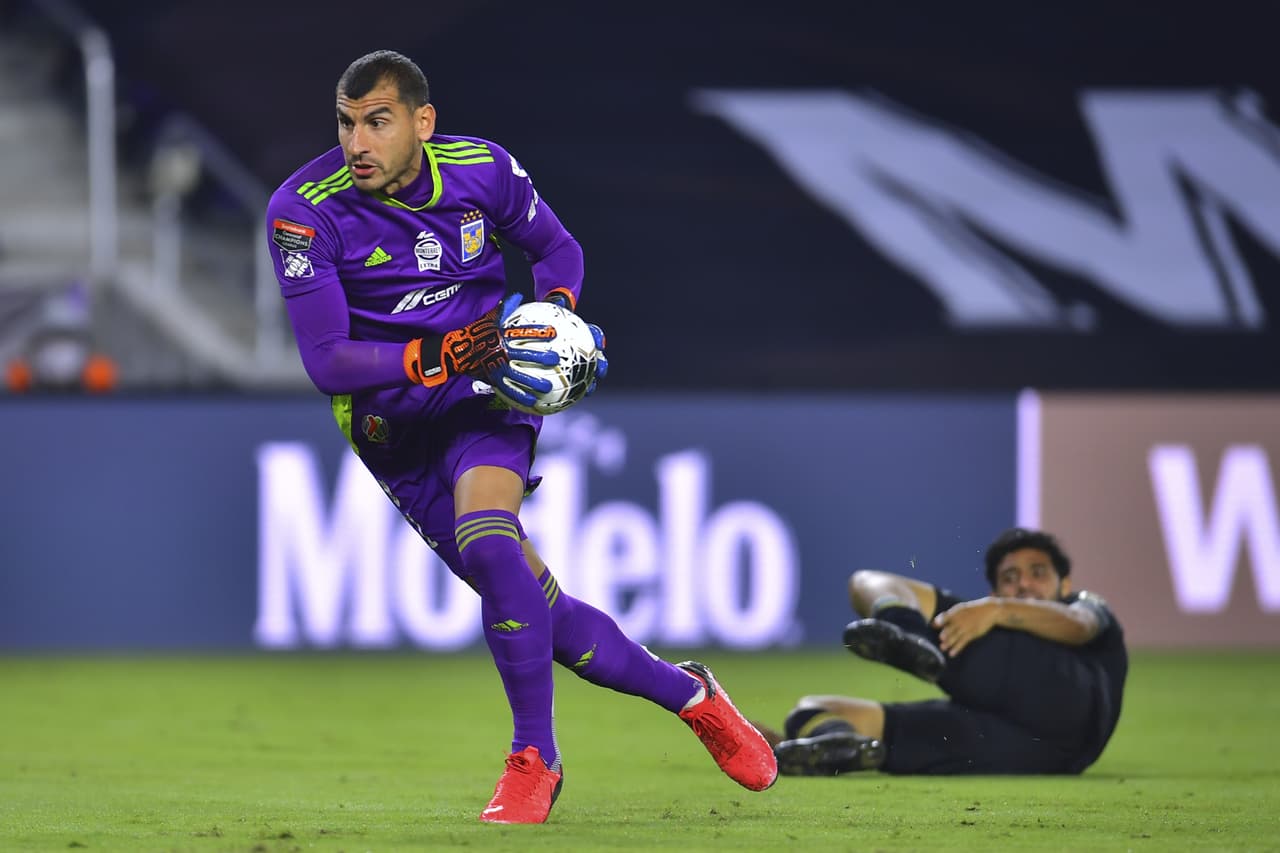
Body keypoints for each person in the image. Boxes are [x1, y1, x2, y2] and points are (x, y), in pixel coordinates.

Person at [264, 50, 776, 824]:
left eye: (377, 121)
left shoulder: (484, 170)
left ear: (421, 123)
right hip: (390, 428)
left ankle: (535, 756)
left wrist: (554, 320)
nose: (356, 142)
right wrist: (431, 354)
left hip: (487, 393)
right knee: (542, 610)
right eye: (345, 122)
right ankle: (690, 692)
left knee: (489, 538)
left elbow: (557, 250)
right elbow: (328, 360)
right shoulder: (304, 211)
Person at [762, 527, 1127, 776]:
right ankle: (836, 746)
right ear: (995, 588)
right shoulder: (983, 621)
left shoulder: (1084, 605)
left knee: (866, 582)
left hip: (1068, 700)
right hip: (1035, 751)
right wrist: (779, 747)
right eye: (1010, 578)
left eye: (1038, 573)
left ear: (1065, 584)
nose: (1024, 584)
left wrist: (997, 609)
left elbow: (1079, 626)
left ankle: (906, 635)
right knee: (811, 710)